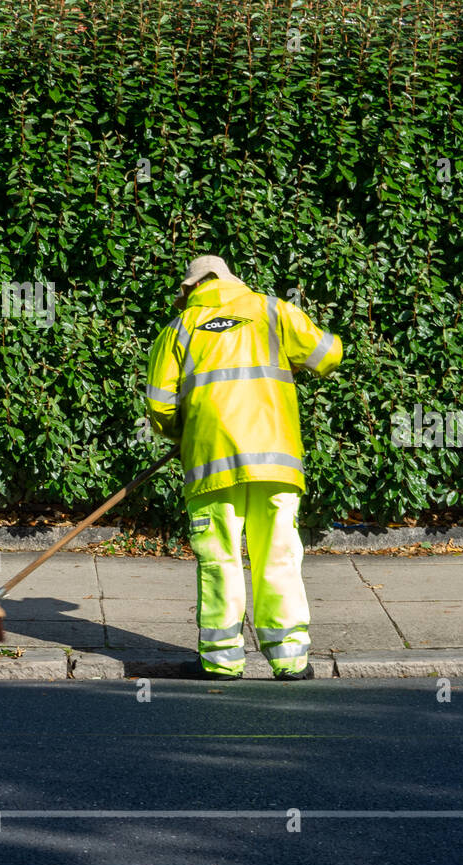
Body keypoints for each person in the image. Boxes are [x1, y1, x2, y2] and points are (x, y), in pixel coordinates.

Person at [144, 255, 342, 680]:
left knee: (220, 559)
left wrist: (184, 435)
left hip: (211, 462)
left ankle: (220, 660)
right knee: (280, 556)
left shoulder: (179, 329)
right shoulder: (273, 312)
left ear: (191, 288)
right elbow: (328, 355)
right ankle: (290, 660)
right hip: (276, 459)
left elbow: (159, 404)